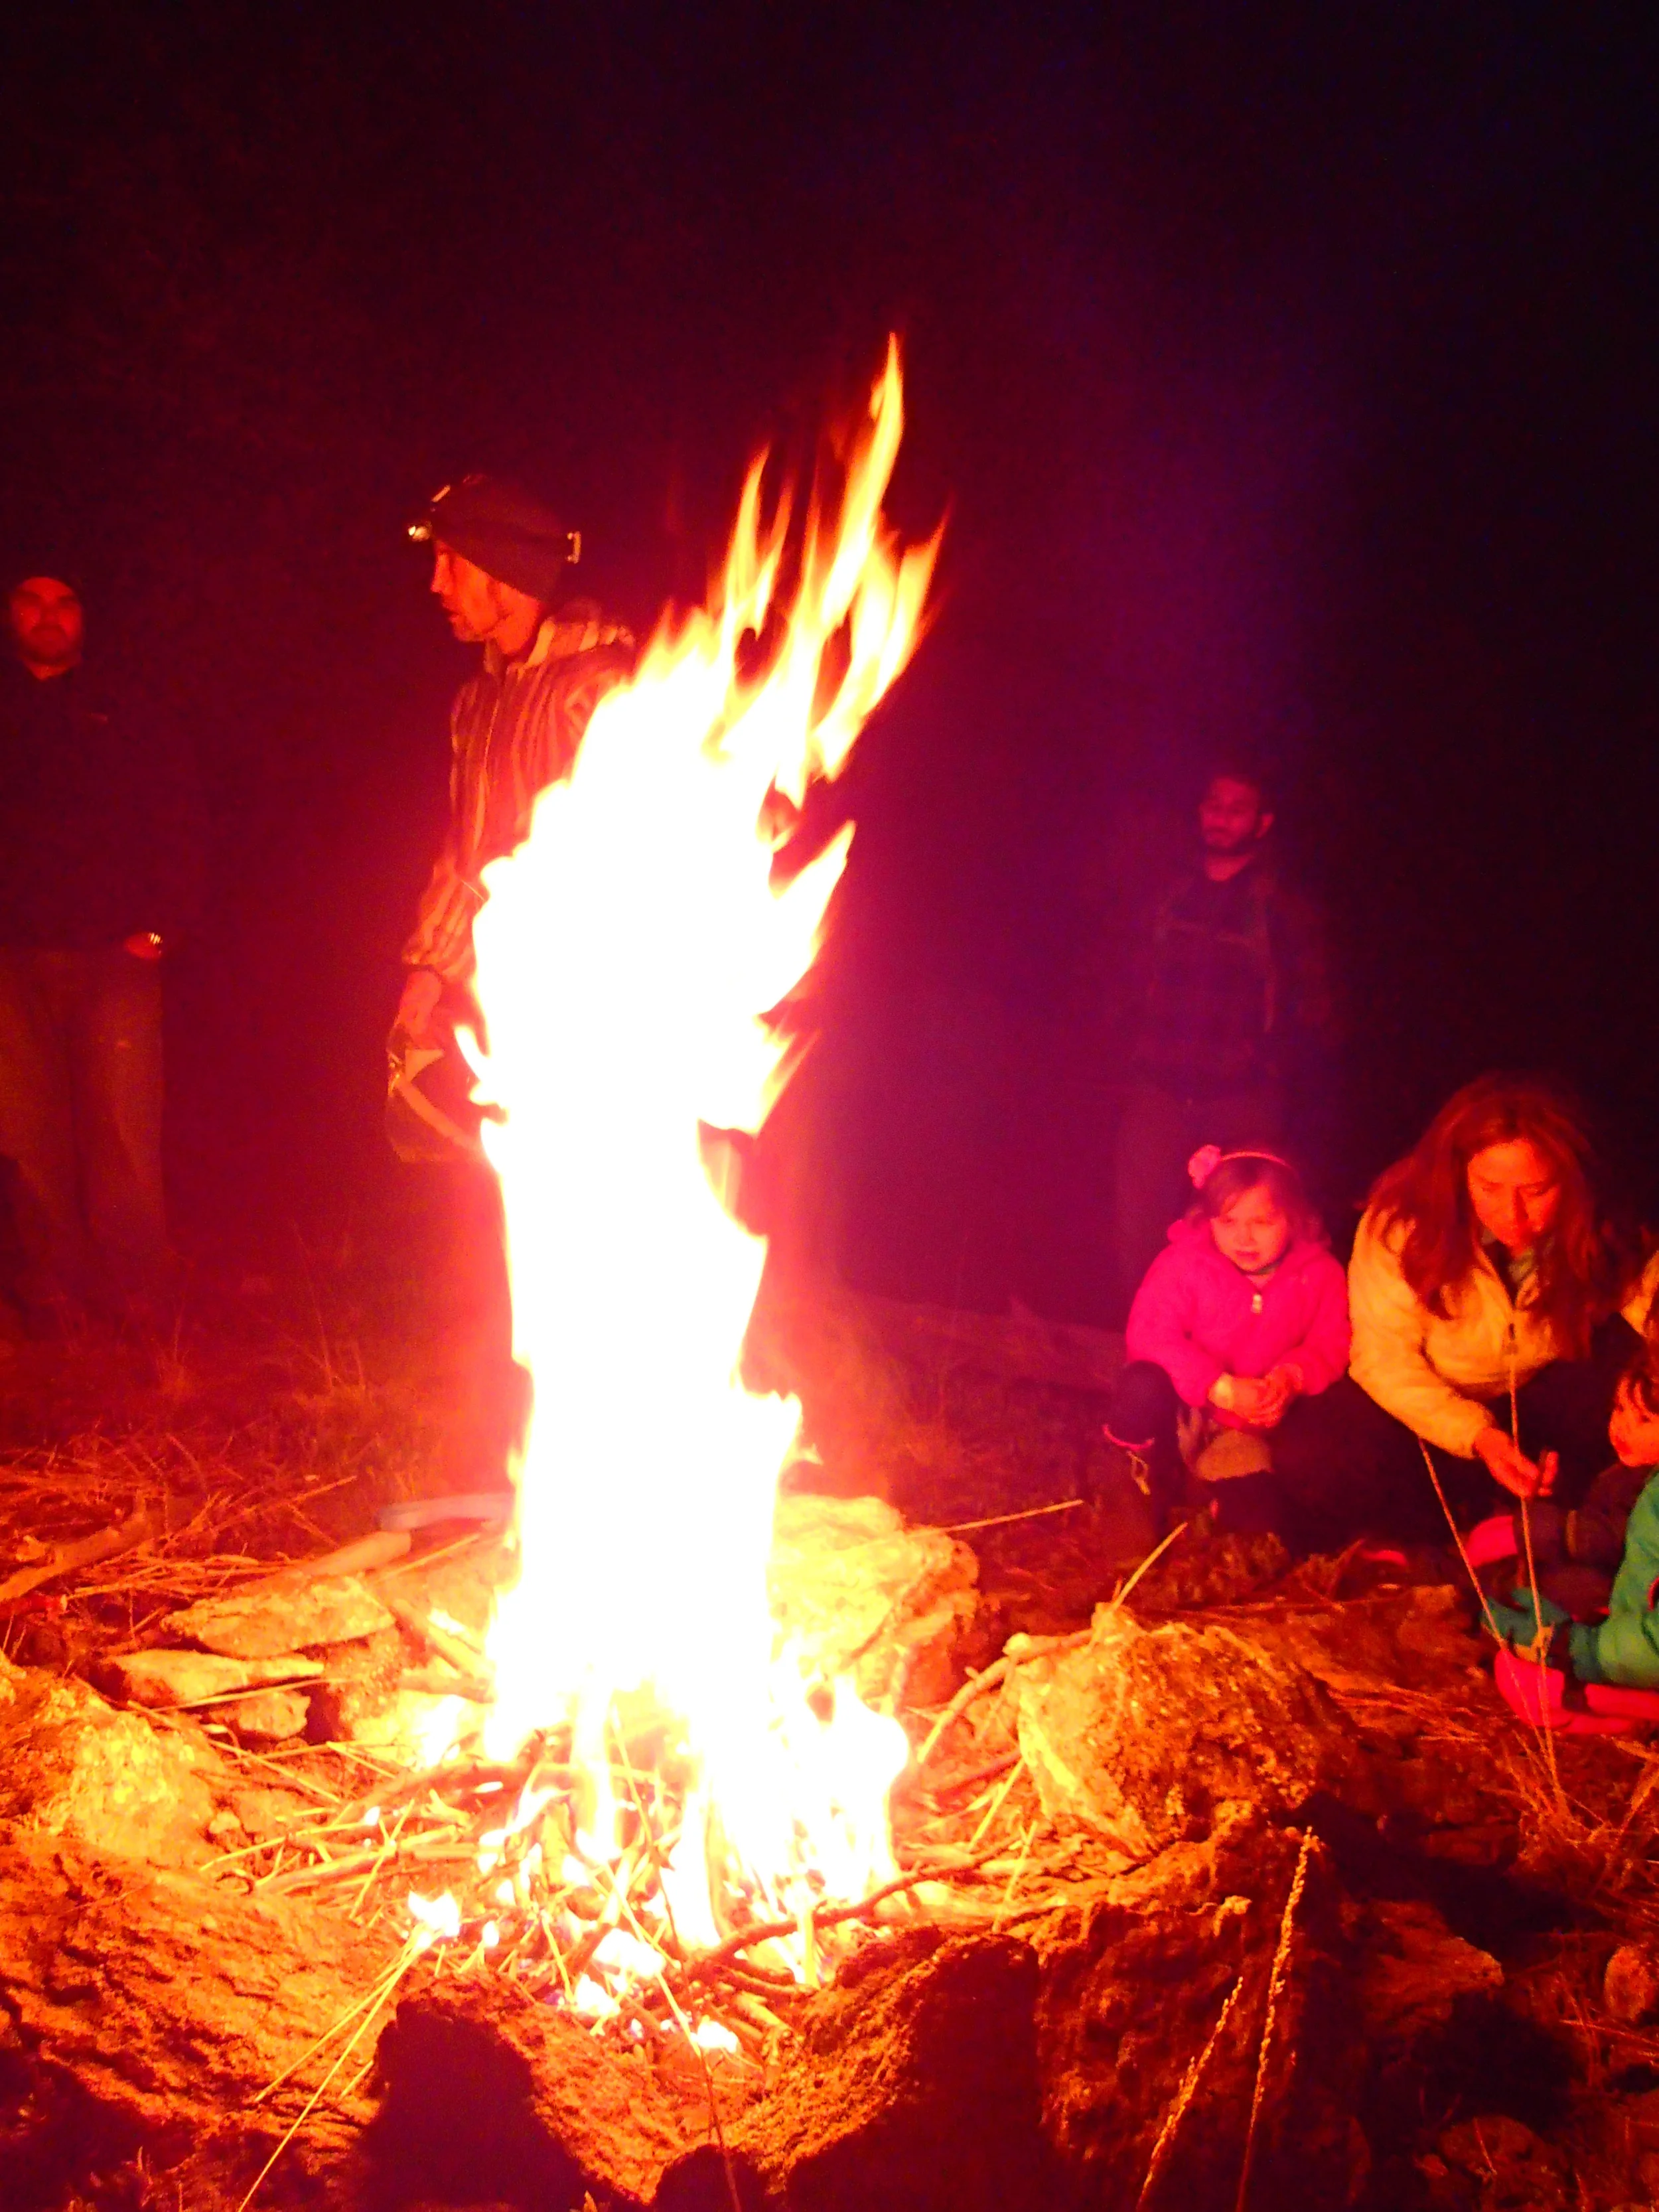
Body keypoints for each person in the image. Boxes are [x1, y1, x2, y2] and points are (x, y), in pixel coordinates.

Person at [390, 476, 633, 1485]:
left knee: (596, 1237)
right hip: (501, 1007)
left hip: (592, 1012)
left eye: (452, 561)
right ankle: (507, 1467)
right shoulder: (480, 697)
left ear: (505, 570)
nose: (437, 583)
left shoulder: (607, 688)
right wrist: (423, 980)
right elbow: (466, 848)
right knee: (490, 1235)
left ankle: (612, 1462)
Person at [1275, 1073, 1655, 1550]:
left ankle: (1564, 1520)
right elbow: (1383, 1358)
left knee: (1632, 1384)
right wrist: (1478, 1435)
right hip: (1439, 1409)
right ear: (1459, 1170)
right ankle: (1431, 1536)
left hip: (1539, 1395)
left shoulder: (1602, 1225)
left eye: (1537, 1191)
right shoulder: (1404, 1222)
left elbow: (1651, 1307)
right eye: (1490, 1187)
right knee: (1314, 1449)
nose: (1512, 1214)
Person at [0, 564, 199, 1324]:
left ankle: (139, 1290)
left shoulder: (127, 707)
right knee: (25, 1134)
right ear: (11, 612)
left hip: (115, 956)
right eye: (32, 601)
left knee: (122, 1130)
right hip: (11, 957)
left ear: (85, 617)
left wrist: (162, 926)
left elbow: (179, 817)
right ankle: (55, 1288)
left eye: (65, 602)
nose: (49, 616)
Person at [1111, 761, 1337, 1310]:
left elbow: (1319, 1007)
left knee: (1247, 1228)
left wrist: (1271, 1064)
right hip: (1160, 1091)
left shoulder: (1282, 908)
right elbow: (1124, 978)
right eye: (1214, 805)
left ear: (1262, 823)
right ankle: (1149, 1349)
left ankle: (1234, 1352)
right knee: (1138, 1226)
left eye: (1237, 809)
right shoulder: (1169, 894)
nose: (1221, 817)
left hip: (1243, 1100)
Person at [1104, 1145, 1350, 1542]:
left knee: (1259, 1526)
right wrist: (1219, 1387)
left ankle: (1204, 1494)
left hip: (1244, 1430)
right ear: (1209, 1218)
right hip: (1182, 1413)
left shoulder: (1319, 1275)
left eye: (1263, 1222)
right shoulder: (1185, 1263)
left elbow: (1332, 1343)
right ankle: (1135, 1480)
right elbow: (1151, 1334)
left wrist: (1290, 1378)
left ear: (1294, 1217)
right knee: (1141, 1386)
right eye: (1229, 1221)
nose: (1244, 1238)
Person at [1481, 1323, 1659, 1724]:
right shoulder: (1633, 1471)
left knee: (1554, 1598)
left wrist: (1562, 1530)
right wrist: (1558, 1494)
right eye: (1618, 1409)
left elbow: (1614, 1536)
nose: (1622, 1426)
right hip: (1626, 1617)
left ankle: (1611, 1709)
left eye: (1643, 1419)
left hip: (1623, 1628)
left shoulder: (1646, 1484)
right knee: (1525, 1597)